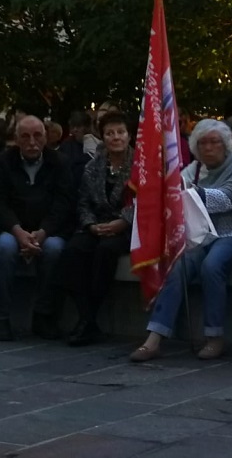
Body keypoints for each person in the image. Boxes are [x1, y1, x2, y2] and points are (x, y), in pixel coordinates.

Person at [129, 119, 232, 362]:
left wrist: (187, 192)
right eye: (202, 143)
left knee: (212, 265)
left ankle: (215, 336)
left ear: (226, 144)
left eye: (214, 142)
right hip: (201, 235)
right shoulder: (194, 169)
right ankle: (154, 337)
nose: (208, 148)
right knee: (177, 267)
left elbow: (225, 199)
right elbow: (174, 196)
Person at [0, 116, 75, 341]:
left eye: (37, 136)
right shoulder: (2, 162)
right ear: (17, 139)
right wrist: (18, 232)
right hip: (11, 228)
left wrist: (42, 232)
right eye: (25, 137)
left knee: (54, 249)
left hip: (49, 230)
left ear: (46, 137)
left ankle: (44, 316)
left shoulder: (61, 163)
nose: (32, 142)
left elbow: (63, 204)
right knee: (5, 248)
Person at [54, 112, 134, 346]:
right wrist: (91, 224)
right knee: (72, 251)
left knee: (105, 252)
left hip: (127, 227)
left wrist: (123, 221)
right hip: (97, 225)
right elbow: (83, 202)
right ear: (102, 137)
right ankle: (87, 319)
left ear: (129, 136)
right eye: (110, 133)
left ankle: (87, 321)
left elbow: (145, 202)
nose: (115, 137)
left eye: (120, 132)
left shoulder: (141, 166)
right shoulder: (93, 166)